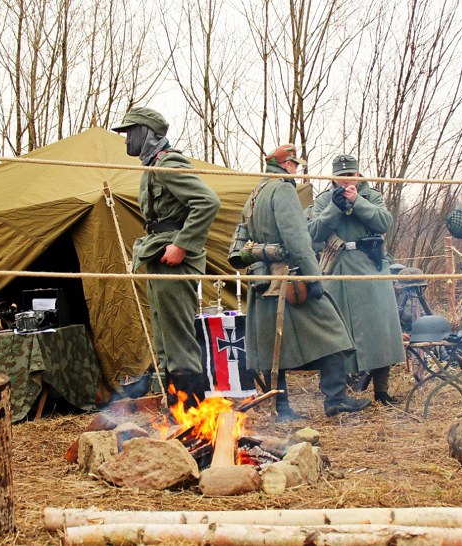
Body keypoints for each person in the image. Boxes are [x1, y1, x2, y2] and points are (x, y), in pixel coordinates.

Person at [238, 144, 371, 420]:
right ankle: (335, 399)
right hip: (290, 280)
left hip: (262, 280)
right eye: (295, 165)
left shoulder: (256, 193)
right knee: (333, 330)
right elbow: (298, 240)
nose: (297, 170)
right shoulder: (283, 189)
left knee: (272, 346)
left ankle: (281, 407)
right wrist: (314, 278)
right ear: (287, 165)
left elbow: (241, 239)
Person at [112, 107, 220, 409]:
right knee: (164, 340)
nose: (125, 140)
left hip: (175, 260)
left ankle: (192, 412)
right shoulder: (152, 167)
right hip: (157, 255)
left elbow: (207, 202)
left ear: (144, 133)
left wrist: (182, 244)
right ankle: (176, 411)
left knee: (178, 340)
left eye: (129, 132)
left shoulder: (169, 163)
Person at [308, 155, 406, 405]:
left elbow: (384, 222)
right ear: (333, 178)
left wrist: (357, 202)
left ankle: (382, 390)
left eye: (351, 175)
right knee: (337, 332)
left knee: (380, 329)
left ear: (358, 175)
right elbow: (313, 233)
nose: (346, 181)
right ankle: (339, 395)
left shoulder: (371, 195)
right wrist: (334, 208)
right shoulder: (323, 200)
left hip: (370, 266)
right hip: (337, 267)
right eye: (341, 176)